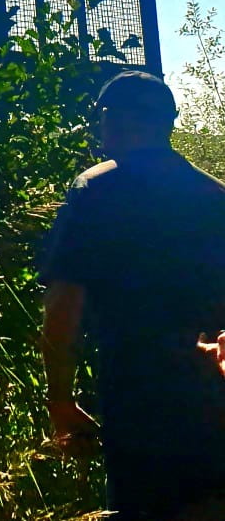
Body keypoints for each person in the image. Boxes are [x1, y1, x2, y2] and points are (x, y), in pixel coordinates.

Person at [41, 70, 225, 519]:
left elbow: (64, 308)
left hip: (134, 390)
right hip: (211, 385)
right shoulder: (213, 194)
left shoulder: (95, 191)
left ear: (113, 117)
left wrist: (60, 398)